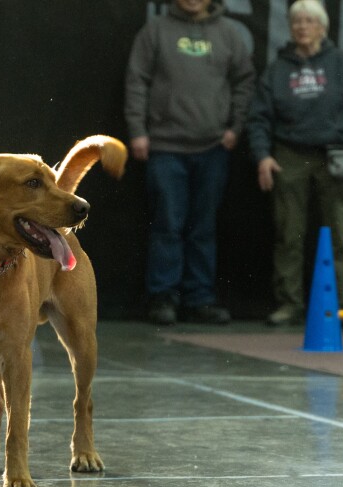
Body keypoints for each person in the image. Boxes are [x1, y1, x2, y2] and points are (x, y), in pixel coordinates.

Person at [246, 0, 343, 326]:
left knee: (341, 235)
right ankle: (289, 304)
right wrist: (263, 156)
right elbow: (258, 118)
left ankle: (336, 306)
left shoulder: (341, 63)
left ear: (322, 27)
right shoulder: (277, 69)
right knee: (288, 234)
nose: (302, 26)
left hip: (336, 156)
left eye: (309, 21)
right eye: (297, 21)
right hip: (289, 155)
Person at [124, 0, 255, 326]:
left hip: (212, 148)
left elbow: (244, 81)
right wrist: (138, 131)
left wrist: (235, 128)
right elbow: (137, 81)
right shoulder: (155, 31)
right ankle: (163, 297)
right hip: (166, 146)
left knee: (203, 227)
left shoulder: (228, 34)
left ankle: (200, 299)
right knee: (168, 224)